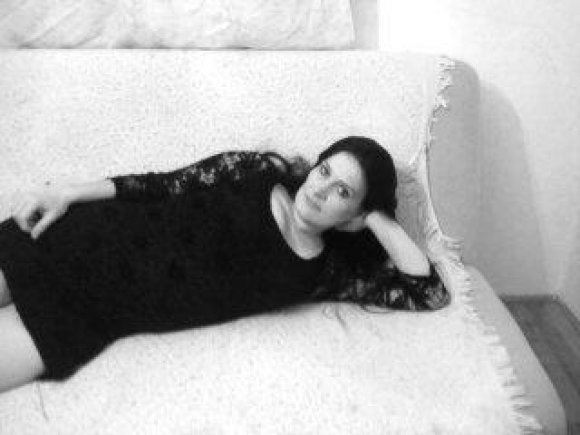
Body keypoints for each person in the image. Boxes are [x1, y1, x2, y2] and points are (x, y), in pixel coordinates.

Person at [0, 136, 450, 393]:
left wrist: (378, 219)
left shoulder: (324, 273)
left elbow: (429, 292)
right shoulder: (257, 170)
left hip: (90, 313)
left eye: (343, 193)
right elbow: (161, 186)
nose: (320, 189)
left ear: (352, 217)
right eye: (325, 171)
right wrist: (67, 192)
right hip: (77, 236)